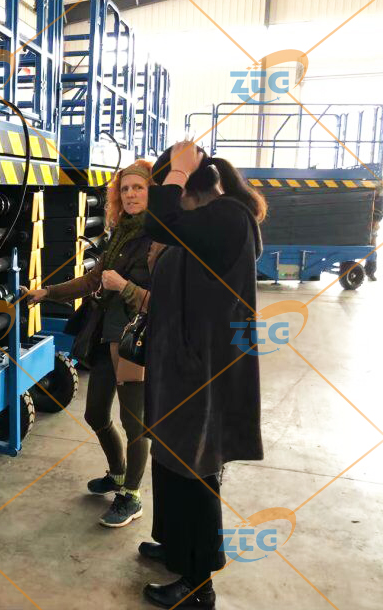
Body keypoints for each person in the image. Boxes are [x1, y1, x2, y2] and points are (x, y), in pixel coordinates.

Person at [137, 142, 266, 609]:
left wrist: (175, 172)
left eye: (173, 188)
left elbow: (159, 220)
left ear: (188, 189)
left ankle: (198, 584)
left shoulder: (228, 218)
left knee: (195, 471)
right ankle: (176, 545)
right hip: (179, 368)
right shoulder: (204, 226)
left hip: (202, 374)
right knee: (170, 462)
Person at [24, 160, 163, 528]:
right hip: (104, 335)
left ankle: (131, 496)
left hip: (134, 341)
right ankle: (117, 474)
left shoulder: (161, 238)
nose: (130, 194)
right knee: (96, 414)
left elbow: (167, 302)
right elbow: (92, 280)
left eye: (139, 187)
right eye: (125, 188)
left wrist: (125, 287)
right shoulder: (119, 234)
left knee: (135, 423)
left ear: (153, 192)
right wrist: (47, 292)